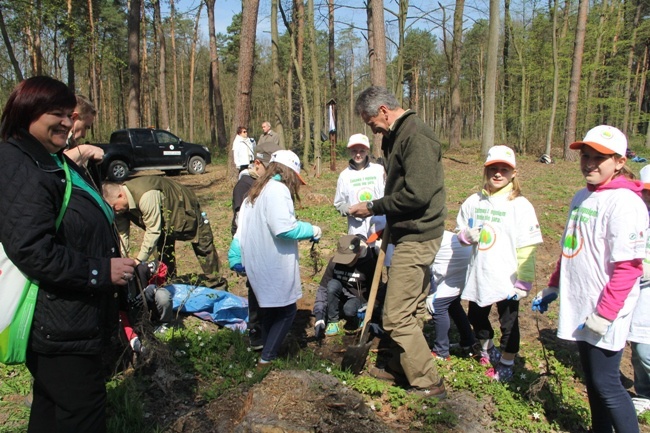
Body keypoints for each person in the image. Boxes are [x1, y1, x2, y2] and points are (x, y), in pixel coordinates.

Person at [0, 76, 137, 432]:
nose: (66, 121)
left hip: (72, 319)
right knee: (82, 414)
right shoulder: (18, 163)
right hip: (57, 324)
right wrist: (99, 271)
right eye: (55, 113)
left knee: (51, 408)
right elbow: (32, 248)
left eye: (68, 113)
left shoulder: (50, 159)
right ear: (27, 113)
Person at [532, 125, 647, 433]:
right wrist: (554, 285)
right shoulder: (582, 196)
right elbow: (570, 246)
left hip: (605, 309)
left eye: (600, 157)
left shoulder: (624, 203)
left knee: (607, 382)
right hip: (581, 301)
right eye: (586, 155)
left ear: (620, 162)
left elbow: (629, 268)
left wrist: (605, 314)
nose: (590, 163)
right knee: (593, 378)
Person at [348, 86, 447, 399]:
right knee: (411, 306)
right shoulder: (396, 134)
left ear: (382, 111)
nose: (371, 128)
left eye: (370, 121)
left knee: (396, 316)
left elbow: (418, 193)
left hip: (418, 235)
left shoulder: (415, 136)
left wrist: (375, 207)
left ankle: (429, 383)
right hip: (406, 231)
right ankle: (400, 366)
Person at [457, 145, 543, 382]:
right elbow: (460, 230)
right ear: (485, 170)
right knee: (475, 316)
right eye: (493, 168)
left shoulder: (520, 205)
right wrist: (466, 236)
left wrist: (524, 281)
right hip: (479, 272)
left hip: (507, 276)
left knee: (509, 324)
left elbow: (527, 245)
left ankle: (506, 362)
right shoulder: (474, 201)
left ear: (513, 173)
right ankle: (487, 347)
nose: (497, 174)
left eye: (503, 169)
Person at [229, 150, 321, 369]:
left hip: (258, 261)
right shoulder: (278, 190)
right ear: (289, 173)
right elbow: (283, 228)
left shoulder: (256, 190)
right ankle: (267, 359)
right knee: (287, 311)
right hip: (273, 262)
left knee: (269, 309)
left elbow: (243, 228)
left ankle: (264, 349)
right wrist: (312, 230)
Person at [102, 176, 226, 289]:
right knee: (164, 252)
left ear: (120, 196)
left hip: (184, 208)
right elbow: (122, 235)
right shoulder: (120, 208)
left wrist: (138, 261)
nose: (115, 211)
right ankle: (170, 284)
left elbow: (153, 231)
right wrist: (122, 261)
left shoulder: (146, 195)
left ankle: (217, 285)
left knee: (203, 246)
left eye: (114, 207)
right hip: (163, 219)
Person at [230, 141, 281, 350]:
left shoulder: (267, 185)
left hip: (265, 244)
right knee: (255, 287)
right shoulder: (245, 185)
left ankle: (268, 325)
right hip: (249, 243)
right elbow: (241, 221)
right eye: (268, 169)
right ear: (258, 163)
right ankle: (256, 331)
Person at [312, 234, 379, 337]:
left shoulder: (369, 264)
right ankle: (333, 321)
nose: (347, 263)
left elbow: (376, 291)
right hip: (341, 294)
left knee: (349, 310)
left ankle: (358, 317)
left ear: (359, 252)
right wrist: (319, 317)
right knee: (332, 285)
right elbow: (323, 289)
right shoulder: (334, 262)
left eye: (350, 258)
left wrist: (371, 309)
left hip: (359, 298)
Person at [425, 230, 476, 360]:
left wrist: (431, 292)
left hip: (454, 267)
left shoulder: (428, 238)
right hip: (463, 265)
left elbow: (425, 267)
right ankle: (468, 340)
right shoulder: (441, 234)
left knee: (438, 306)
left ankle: (441, 352)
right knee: (453, 304)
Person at [333, 133, 386, 239]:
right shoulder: (344, 175)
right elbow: (339, 203)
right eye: (354, 151)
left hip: (381, 229)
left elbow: (388, 195)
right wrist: (350, 211)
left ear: (367, 151)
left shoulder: (379, 170)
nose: (358, 154)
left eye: (362, 150)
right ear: (349, 151)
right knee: (362, 254)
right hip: (357, 230)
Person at [629, 164, 650, 415]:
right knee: (636, 342)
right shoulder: (634, 214)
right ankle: (644, 392)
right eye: (645, 191)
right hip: (633, 284)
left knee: (645, 346)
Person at [63, 95, 103, 170]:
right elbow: (56, 164)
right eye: (85, 127)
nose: (84, 135)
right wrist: (88, 150)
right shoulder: (50, 138)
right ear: (74, 117)